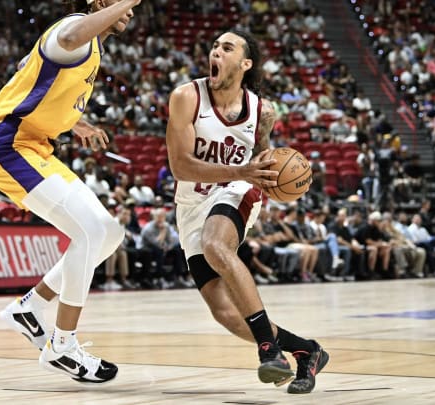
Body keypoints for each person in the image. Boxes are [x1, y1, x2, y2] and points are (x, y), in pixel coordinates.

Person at [0, 0, 141, 383]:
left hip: (34, 145)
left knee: (109, 233)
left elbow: (25, 72)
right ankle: (62, 345)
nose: (131, 11)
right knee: (90, 233)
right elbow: (67, 35)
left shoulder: (88, 43)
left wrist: (76, 123)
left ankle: (29, 308)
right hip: (7, 144)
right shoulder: (76, 29)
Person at [166, 29, 328, 394]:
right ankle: (307, 351)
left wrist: (275, 174)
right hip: (191, 200)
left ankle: (269, 350)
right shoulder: (186, 97)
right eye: (213, 47)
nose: (216, 52)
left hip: (236, 190)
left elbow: (262, 158)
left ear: (245, 63)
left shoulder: (262, 111)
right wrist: (242, 169)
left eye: (227, 47)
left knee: (216, 245)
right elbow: (181, 167)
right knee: (225, 314)